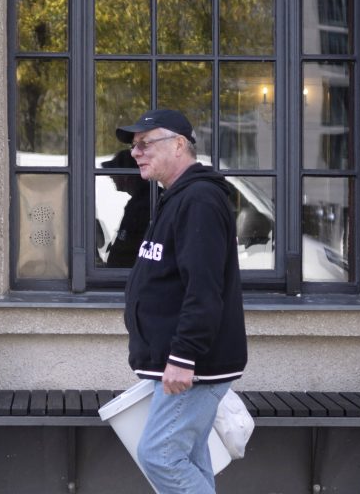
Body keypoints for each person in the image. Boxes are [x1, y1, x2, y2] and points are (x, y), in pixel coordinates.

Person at [117, 108, 247, 494]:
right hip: (177, 364)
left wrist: (183, 357)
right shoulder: (176, 198)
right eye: (134, 146)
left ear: (178, 144)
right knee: (188, 459)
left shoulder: (200, 201)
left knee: (160, 455)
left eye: (144, 143)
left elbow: (203, 290)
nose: (135, 153)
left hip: (192, 367)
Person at [101, 149, 150, 268]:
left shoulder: (145, 205)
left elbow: (133, 248)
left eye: (115, 172)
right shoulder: (140, 201)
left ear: (126, 175)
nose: (111, 176)